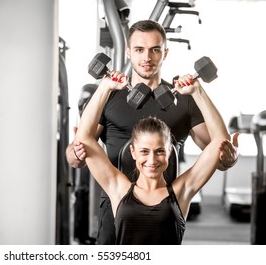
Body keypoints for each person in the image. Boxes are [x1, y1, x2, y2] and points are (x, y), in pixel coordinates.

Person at [66, 19, 239, 244]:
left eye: (154, 50)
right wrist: (75, 152)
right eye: (139, 49)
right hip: (116, 200)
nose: (147, 57)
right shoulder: (108, 97)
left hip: (166, 203)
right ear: (128, 52)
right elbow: (79, 150)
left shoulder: (185, 100)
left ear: (164, 53)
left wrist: (198, 92)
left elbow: (218, 150)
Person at [75, 71, 230, 244]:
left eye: (159, 151)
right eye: (144, 151)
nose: (152, 160)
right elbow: (84, 139)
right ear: (133, 152)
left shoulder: (181, 192)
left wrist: (198, 92)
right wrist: (105, 87)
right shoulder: (118, 189)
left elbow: (220, 143)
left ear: (170, 152)